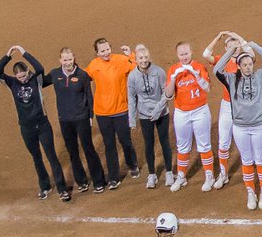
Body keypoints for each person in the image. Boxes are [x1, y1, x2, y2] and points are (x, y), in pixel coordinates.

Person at [0, 46, 70, 201]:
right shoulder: (11, 83)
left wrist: (23, 52)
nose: (23, 79)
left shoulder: (36, 79)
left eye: (24, 75)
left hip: (42, 125)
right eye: (20, 77)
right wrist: (8, 55)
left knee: (51, 156)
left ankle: (62, 189)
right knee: (36, 158)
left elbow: (40, 68)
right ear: (15, 76)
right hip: (26, 128)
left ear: (28, 71)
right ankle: (45, 186)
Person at [213, 32, 262, 210]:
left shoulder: (261, 75)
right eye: (245, 64)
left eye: (250, 64)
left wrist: (254, 46)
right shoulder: (231, 79)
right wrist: (231, 51)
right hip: (240, 128)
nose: (248, 67)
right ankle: (251, 192)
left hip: (260, 126)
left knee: (261, 159)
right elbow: (216, 69)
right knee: (247, 161)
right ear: (239, 66)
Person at [45, 47, 106, 194]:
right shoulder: (55, 74)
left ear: (74, 59)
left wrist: (91, 116)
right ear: (60, 60)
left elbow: (89, 97)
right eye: (65, 60)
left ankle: (98, 181)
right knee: (72, 151)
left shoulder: (82, 75)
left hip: (82, 117)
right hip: (65, 119)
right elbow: (38, 81)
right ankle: (82, 181)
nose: (67, 63)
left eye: (70, 59)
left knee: (88, 148)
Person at [85, 38, 138, 187]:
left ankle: (132, 164)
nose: (106, 53)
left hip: (121, 110)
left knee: (125, 141)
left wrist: (131, 55)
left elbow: (136, 68)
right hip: (103, 113)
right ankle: (114, 177)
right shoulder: (94, 65)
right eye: (102, 51)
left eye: (107, 49)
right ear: (97, 53)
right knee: (109, 145)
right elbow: (83, 78)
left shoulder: (121, 60)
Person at [165, 41, 215, 192]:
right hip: (182, 113)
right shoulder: (173, 70)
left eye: (186, 53)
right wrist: (173, 79)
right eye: (181, 54)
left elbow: (207, 88)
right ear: (177, 55)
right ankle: (181, 177)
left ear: (191, 52)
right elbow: (168, 95)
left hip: (200, 111)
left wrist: (196, 75)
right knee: (182, 146)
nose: (184, 57)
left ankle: (209, 175)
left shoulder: (200, 67)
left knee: (204, 144)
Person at [127, 44, 174, 190]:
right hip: (144, 115)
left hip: (161, 113)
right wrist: (131, 119)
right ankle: (152, 174)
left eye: (146, 57)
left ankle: (169, 172)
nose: (144, 60)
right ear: (136, 60)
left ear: (149, 58)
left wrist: (157, 110)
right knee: (149, 144)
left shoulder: (159, 72)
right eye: (140, 58)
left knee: (164, 141)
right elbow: (131, 98)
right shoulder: (133, 76)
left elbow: (165, 94)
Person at [202, 31, 240, 189]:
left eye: (235, 46)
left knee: (244, 141)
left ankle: (252, 172)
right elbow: (206, 54)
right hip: (226, 105)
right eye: (229, 47)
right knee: (224, 141)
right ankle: (223, 174)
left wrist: (236, 36)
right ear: (225, 48)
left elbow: (249, 51)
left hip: (242, 106)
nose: (233, 49)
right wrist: (218, 36)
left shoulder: (245, 60)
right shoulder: (221, 61)